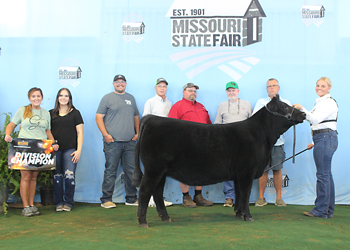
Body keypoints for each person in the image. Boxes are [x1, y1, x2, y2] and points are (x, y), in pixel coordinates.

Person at [4, 87, 59, 217]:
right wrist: (8, 135)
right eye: (33, 96)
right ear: (30, 98)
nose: (36, 98)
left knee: (34, 177)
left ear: (42, 98)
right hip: (25, 148)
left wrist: (53, 143)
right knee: (26, 176)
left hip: (39, 148)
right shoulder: (23, 110)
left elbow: (48, 132)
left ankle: (31, 205)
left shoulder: (46, 113)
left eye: (38, 96)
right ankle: (25, 207)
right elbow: (11, 125)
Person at [293, 77, 338, 218]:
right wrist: (315, 142)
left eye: (323, 86)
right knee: (326, 175)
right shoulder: (322, 103)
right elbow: (322, 123)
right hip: (323, 138)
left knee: (323, 175)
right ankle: (327, 209)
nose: (319, 88)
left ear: (329, 88)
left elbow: (315, 119)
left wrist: (301, 109)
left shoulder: (328, 103)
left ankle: (321, 210)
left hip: (325, 138)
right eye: (318, 85)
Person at [96, 74, 140, 208]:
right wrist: (105, 134)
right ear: (113, 84)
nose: (120, 84)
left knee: (131, 171)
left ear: (125, 84)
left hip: (130, 142)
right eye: (117, 82)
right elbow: (98, 117)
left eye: (122, 82)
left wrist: (137, 133)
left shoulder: (131, 98)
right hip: (113, 142)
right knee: (111, 170)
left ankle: (131, 198)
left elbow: (136, 116)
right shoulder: (107, 98)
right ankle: (106, 199)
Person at [168, 83, 213, 208]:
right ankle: (186, 197)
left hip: (203, 145)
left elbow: (209, 124)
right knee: (185, 171)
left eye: (194, 91)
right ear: (183, 92)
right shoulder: (177, 106)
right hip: (185, 145)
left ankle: (198, 196)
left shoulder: (201, 106)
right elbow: (172, 127)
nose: (193, 92)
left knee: (201, 170)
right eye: (190, 90)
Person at [253, 78, 290, 207]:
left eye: (274, 85)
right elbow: (255, 120)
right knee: (263, 170)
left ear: (278, 88)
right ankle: (261, 198)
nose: (271, 88)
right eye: (269, 86)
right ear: (266, 89)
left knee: (277, 170)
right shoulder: (261, 102)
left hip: (278, 142)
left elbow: (286, 121)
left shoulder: (285, 103)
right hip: (263, 143)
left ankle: (279, 198)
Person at [214, 81, 252, 207]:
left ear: (238, 91)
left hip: (244, 144)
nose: (231, 93)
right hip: (227, 143)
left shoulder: (246, 104)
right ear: (226, 92)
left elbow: (251, 124)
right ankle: (229, 197)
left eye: (233, 90)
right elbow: (217, 124)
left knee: (244, 170)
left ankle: (242, 198)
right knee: (228, 169)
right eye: (229, 91)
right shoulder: (222, 105)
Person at [50, 88, 84, 212]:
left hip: (70, 150)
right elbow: (47, 132)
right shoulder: (51, 113)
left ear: (70, 98)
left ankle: (69, 202)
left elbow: (80, 133)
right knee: (57, 177)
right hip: (55, 151)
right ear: (57, 97)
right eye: (61, 95)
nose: (63, 98)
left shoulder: (75, 113)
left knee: (69, 176)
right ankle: (58, 202)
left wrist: (78, 150)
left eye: (66, 96)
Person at [143, 78, 173, 207]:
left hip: (166, 140)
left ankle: (159, 198)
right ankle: (149, 198)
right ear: (155, 88)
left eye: (164, 86)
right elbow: (145, 120)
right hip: (153, 140)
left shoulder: (169, 103)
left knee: (163, 170)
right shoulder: (150, 102)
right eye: (159, 86)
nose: (162, 88)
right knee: (151, 169)